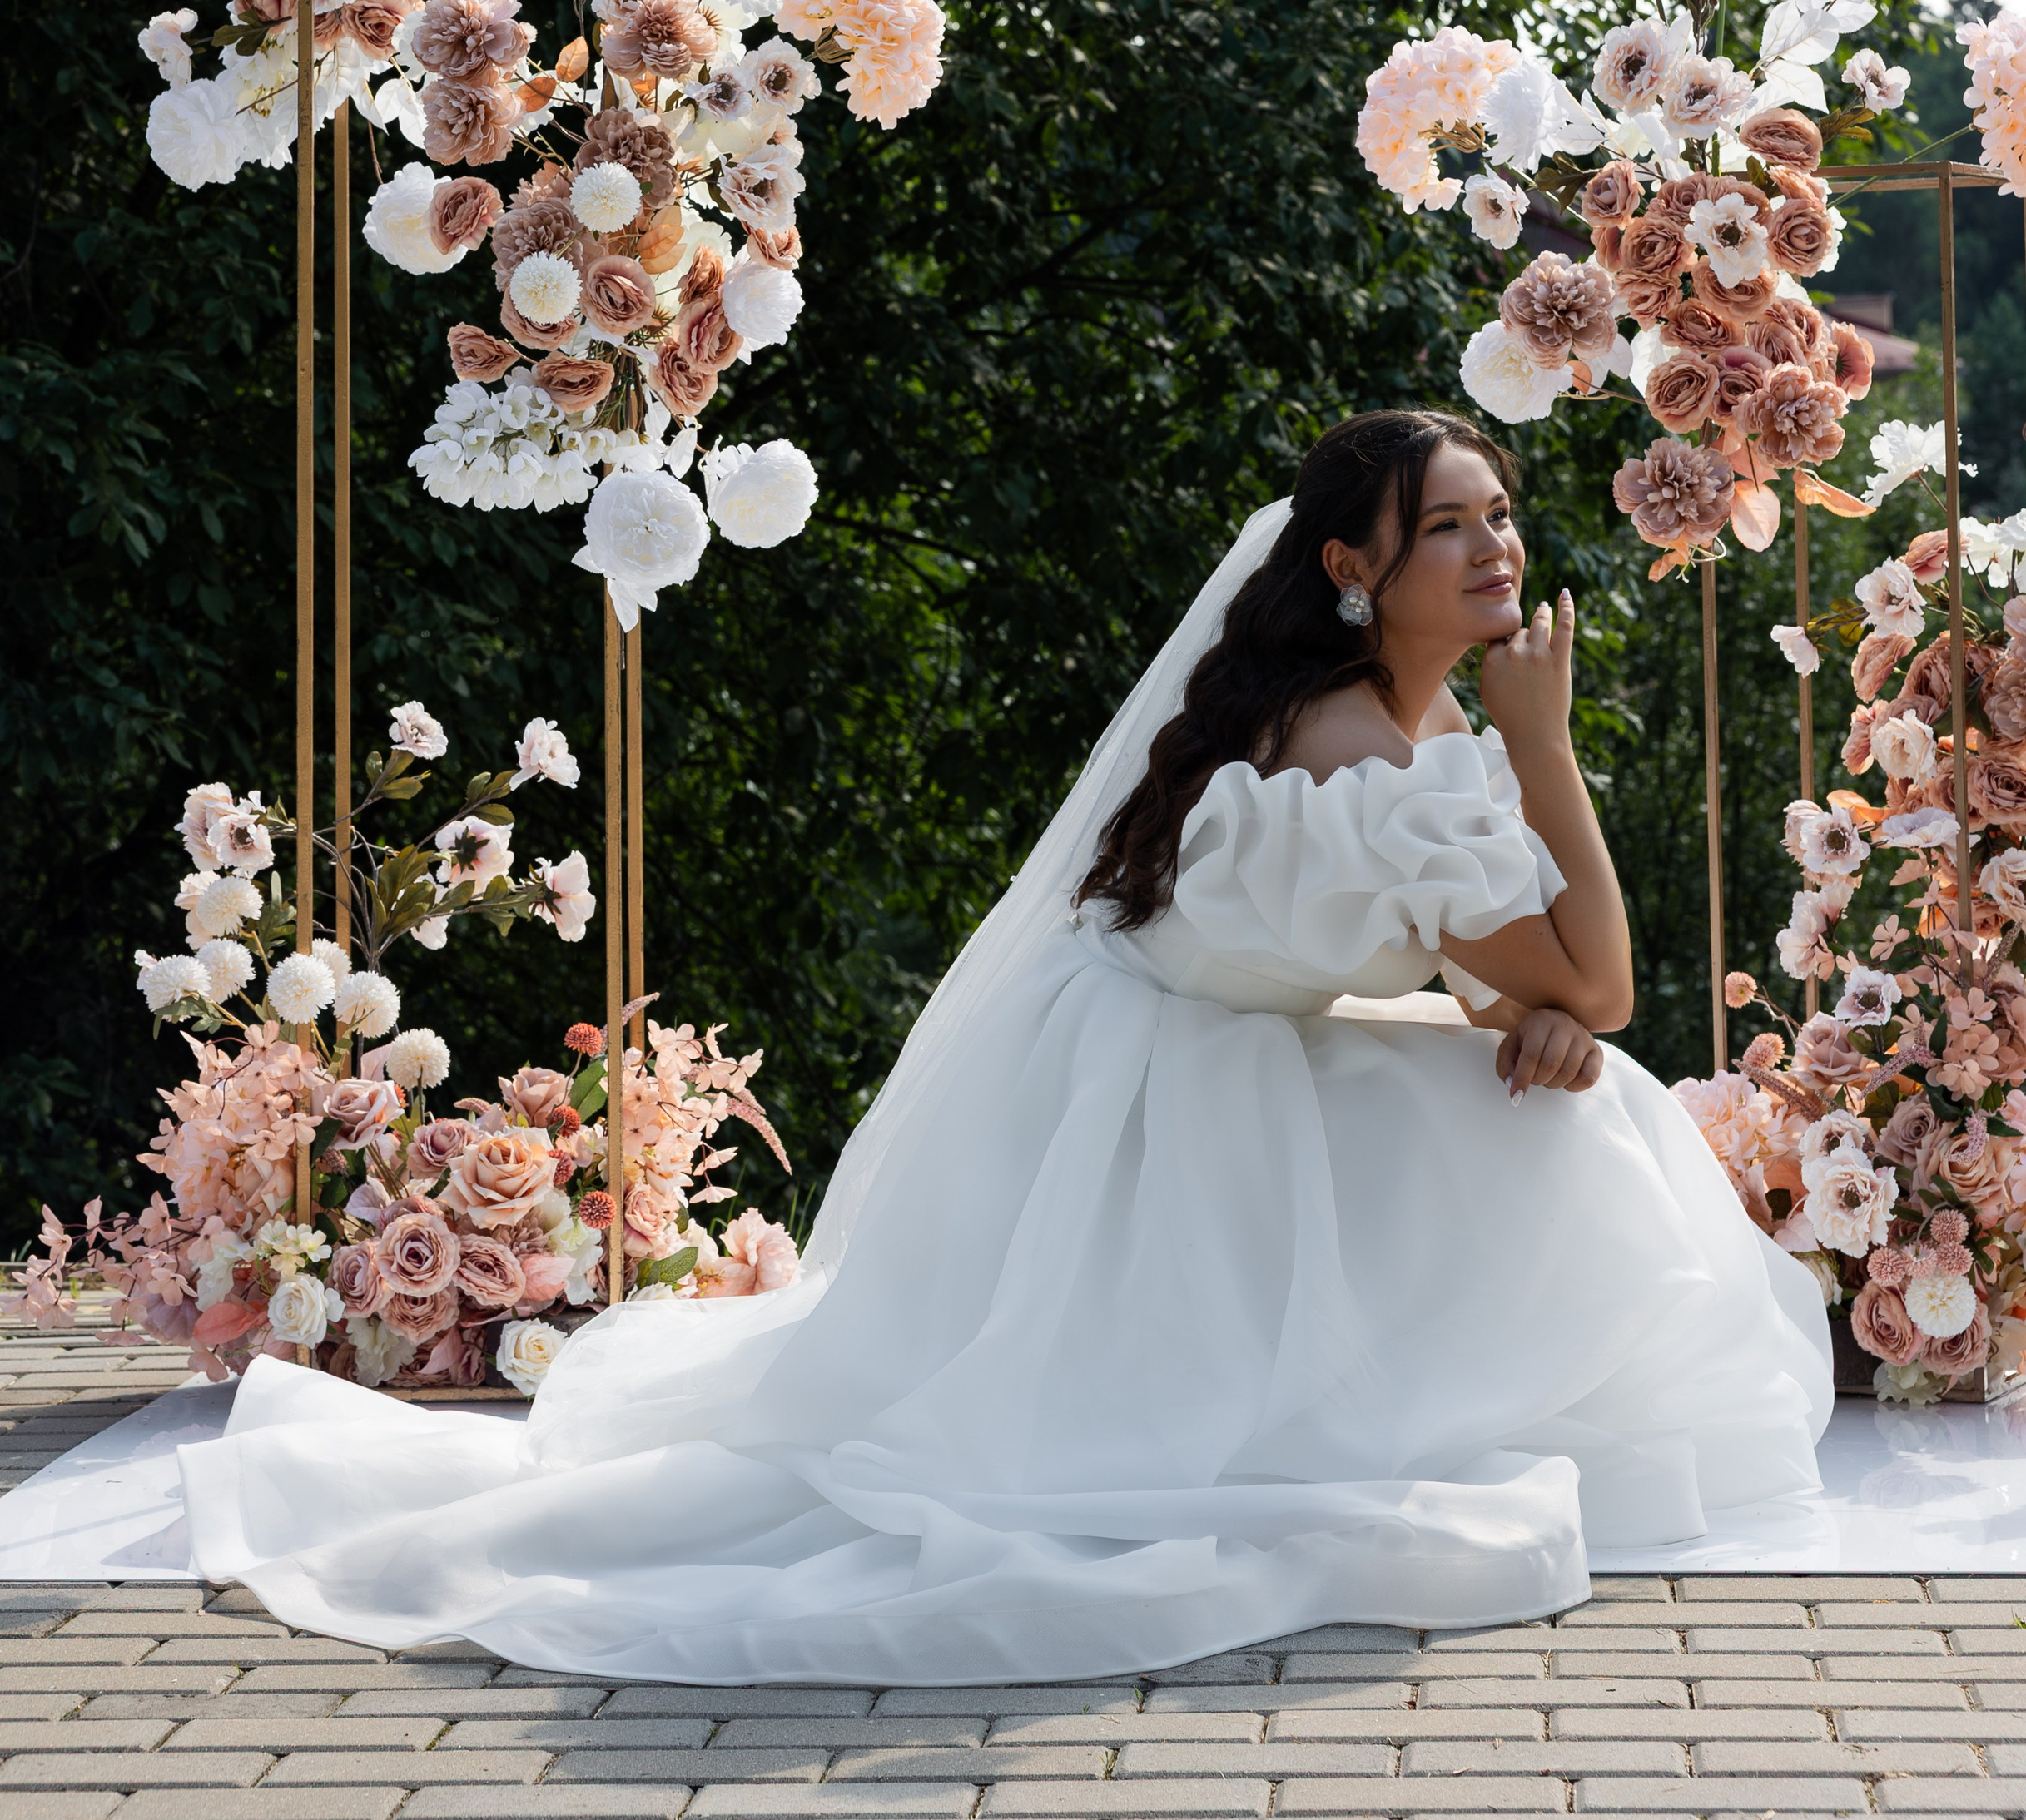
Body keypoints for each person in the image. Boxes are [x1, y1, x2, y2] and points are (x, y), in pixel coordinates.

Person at [165, 408, 1828, 1679]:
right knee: (1594, 1094)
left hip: (1172, 1051)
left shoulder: (1407, 720)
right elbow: (1595, 983)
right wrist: (1548, 755)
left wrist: (1521, 1000)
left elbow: (1510, 981)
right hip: (1157, 1101)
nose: (1493, 548)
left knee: (1557, 1086)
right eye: (1443, 525)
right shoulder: (1374, 746)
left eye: (1498, 515)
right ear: (1349, 567)